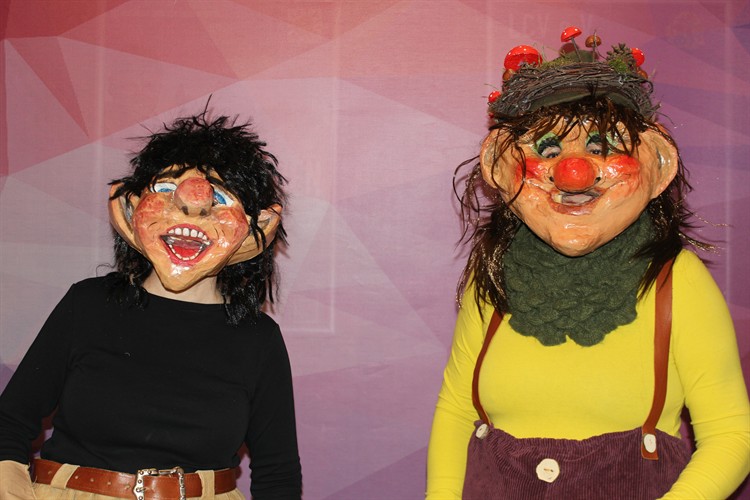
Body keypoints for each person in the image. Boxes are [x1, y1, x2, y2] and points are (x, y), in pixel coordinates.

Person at [427, 28, 750, 499]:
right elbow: (457, 410)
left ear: (657, 164)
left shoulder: (675, 280)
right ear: (499, 166)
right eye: (549, 150)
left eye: (599, 148)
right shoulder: (491, 276)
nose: (573, 173)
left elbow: (730, 432)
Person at [0, 111, 302, 499]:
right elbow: (10, 421)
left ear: (257, 227)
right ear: (130, 206)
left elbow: (277, 474)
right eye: (166, 188)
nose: (193, 206)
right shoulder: (88, 304)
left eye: (221, 196)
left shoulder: (258, 339)